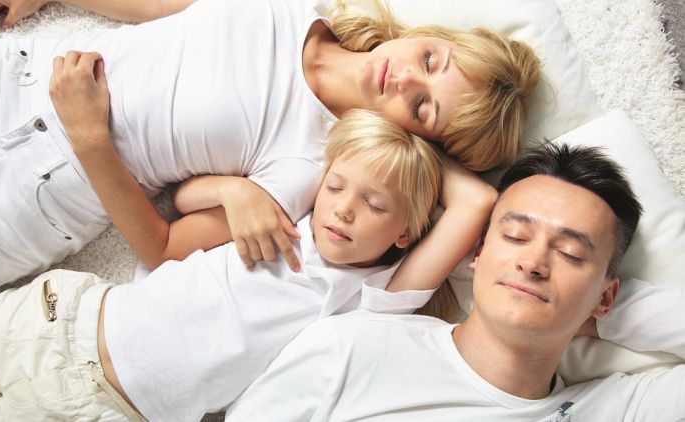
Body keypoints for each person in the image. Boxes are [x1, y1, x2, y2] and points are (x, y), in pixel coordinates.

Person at [0, 0, 541, 290]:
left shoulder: (314, 166)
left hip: (46, 194)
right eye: (430, 60)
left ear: (418, 138)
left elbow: (162, 249)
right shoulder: (293, 7)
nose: (404, 79)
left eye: (422, 107)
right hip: (21, 75)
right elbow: (159, 8)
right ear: (431, 36)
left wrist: (90, 139)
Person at [0, 109, 499, 421]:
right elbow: (183, 198)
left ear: (406, 233)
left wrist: (411, 146)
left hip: (102, 406)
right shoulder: (288, 214)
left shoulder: (372, 298)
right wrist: (235, 192)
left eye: (375, 204)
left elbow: (476, 200)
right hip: (62, 316)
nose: (344, 208)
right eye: (337, 186)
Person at [225, 144, 685, 421]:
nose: (533, 262)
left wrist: (598, 312)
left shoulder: (619, 409)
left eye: (570, 253)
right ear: (478, 254)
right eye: (515, 236)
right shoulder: (350, 347)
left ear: (607, 296)